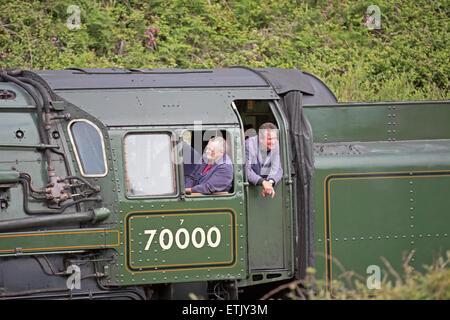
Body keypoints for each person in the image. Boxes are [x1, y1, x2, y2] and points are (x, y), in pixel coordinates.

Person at [245, 122, 283, 198]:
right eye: (269, 139)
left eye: (275, 138)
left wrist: (269, 182)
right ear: (260, 138)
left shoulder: (276, 144)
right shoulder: (250, 144)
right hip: (251, 192)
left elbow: (278, 169)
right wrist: (262, 182)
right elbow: (245, 170)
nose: (273, 142)